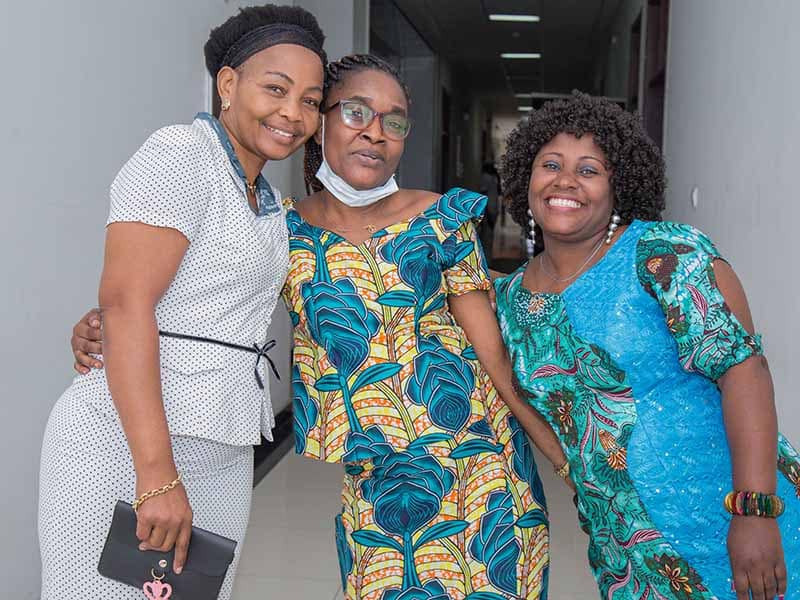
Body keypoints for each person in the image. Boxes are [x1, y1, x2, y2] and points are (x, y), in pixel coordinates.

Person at [72, 53, 568, 599]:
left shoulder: (440, 218)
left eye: (395, 121)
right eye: (356, 112)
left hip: (481, 467)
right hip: (377, 482)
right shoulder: (282, 230)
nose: (376, 134)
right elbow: (209, 298)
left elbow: (494, 356)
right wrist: (106, 324)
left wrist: (560, 456)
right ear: (320, 121)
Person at [38, 6, 326, 598]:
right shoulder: (181, 156)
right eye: (276, 89)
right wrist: (155, 477)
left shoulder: (266, 198)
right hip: (129, 443)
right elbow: (125, 305)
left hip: (220, 444)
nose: (292, 113)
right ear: (228, 84)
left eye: (311, 100)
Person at [495, 91, 800, 599]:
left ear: (620, 186)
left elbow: (745, 371)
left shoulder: (666, 255)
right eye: (550, 164)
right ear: (526, 177)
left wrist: (755, 510)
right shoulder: (506, 301)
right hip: (629, 549)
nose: (565, 181)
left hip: (733, 517)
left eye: (589, 169)